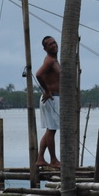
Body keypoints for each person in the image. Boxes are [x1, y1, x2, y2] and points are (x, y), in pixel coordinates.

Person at [35, 35, 61, 168]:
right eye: (50, 44)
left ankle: (40, 158)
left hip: (53, 98)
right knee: (51, 129)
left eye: (54, 42)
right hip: (51, 98)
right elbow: (38, 74)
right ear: (45, 48)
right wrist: (47, 90)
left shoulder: (55, 60)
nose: (54, 45)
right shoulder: (50, 60)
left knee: (50, 130)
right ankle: (53, 160)